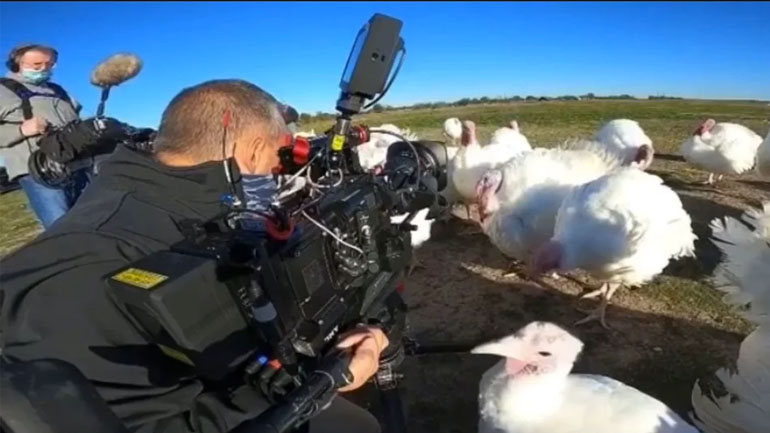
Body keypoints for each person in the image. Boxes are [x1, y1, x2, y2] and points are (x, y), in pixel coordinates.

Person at [0, 79, 386, 433]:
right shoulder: (164, 257)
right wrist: (332, 376)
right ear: (252, 151)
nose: (276, 174)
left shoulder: (126, 186)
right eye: (277, 159)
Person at [0, 43, 92, 229]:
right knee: (61, 227)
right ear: (17, 63)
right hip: (40, 172)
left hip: (78, 165)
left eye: (49, 64)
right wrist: (22, 131)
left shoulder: (58, 91)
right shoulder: (3, 90)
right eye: (37, 65)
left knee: (95, 217)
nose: (44, 69)